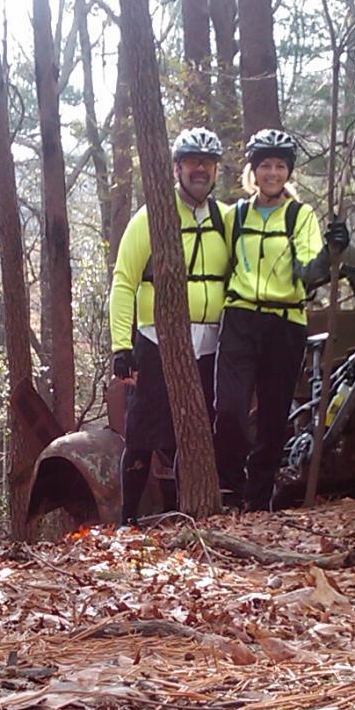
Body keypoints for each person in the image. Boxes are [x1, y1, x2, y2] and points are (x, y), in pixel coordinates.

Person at [214, 128, 350, 511]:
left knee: (274, 416)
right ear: (252, 171)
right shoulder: (235, 214)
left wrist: (332, 252)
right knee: (229, 410)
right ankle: (231, 486)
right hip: (239, 317)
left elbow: (310, 271)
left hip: (285, 323)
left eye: (279, 166)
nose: (272, 173)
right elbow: (217, 260)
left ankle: (257, 500)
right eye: (264, 166)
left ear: (288, 172)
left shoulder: (299, 215)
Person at [108, 128, 232, 525]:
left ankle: (186, 516)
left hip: (212, 342)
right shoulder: (150, 218)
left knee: (196, 435)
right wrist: (120, 347)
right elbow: (124, 281)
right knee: (143, 431)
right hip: (156, 340)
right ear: (177, 168)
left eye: (208, 163)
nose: (201, 170)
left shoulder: (226, 219)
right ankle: (127, 521)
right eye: (193, 162)